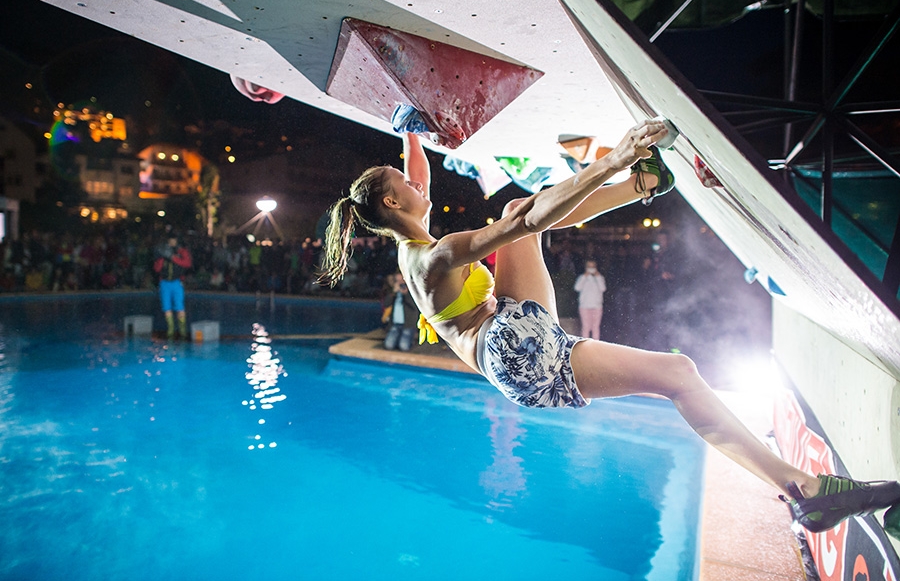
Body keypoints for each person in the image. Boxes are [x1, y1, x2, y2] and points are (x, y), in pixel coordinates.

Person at [318, 120, 900, 535]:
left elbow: (415, 173)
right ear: (394, 205)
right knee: (523, 215)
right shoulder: (436, 254)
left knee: (677, 373)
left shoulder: (410, 244)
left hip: (511, 357)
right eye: (408, 184)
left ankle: (804, 492)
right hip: (513, 345)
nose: (421, 183)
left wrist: (409, 131)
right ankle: (638, 178)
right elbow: (533, 217)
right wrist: (612, 160)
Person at [153, 235, 192, 340]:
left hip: (177, 282)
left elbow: (187, 263)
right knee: (166, 307)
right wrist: (162, 257)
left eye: (174, 240)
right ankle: (171, 330)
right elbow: (157, 269)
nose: (172, 242)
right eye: (170, 240)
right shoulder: (162, 251)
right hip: (164, 283)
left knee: (180, 306)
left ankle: (182, 331)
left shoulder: (182, 251)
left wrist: (172, 257)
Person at [574, 259, 606, 339]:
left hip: (597, 306)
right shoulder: (582, 277)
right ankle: (585, 346)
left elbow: (603, 288)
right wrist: (585, 276)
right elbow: (577, 288)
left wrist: (597, 276)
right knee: (586, 327)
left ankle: (596, 345)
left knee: (595, 328)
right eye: (589, 267)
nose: (591, 268)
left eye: (593, 267)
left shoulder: (600, 277)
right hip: (584, 306)